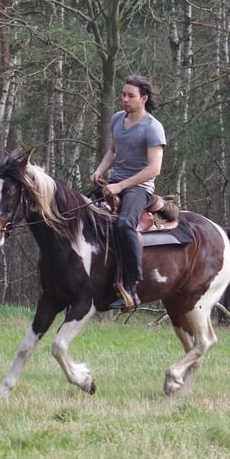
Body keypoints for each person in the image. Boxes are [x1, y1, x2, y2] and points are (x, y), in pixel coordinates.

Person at [90, 75, 166, 311]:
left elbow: (154, 168)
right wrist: (100, 170)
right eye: (123, 95)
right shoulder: (117, 120)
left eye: (130, 96)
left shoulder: (153, 127)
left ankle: (132, 285)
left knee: (124, 226)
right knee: (79, 213)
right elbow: (113, 151)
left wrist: (121, 186)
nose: (125, 99)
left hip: (138, 188)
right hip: (114, 183)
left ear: (144, 98)